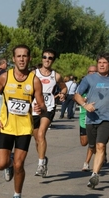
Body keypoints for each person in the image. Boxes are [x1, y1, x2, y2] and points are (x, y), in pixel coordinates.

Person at [0, 44, 46, 198]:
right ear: (13, 59)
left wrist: (39, 108)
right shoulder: (5, 77)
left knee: (20, 165)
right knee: (0, 164)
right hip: (6, 127)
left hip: (24, 129)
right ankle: (9, 162)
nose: (22, 59)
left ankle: (17, 196)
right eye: (18, 56)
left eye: (25, 56)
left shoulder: (34, 80)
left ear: (29, 58)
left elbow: (43, 106)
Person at [73, 52, 109, 189]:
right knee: (92, 146)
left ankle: (94, 174)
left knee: (101, 145)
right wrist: (85, 105)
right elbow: (77, 95)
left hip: (107, 118)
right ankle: (99, 160)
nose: (101, 65)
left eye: (104, 63)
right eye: (99, 62)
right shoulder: (89, 79)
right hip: (91, 117)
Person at [32, 48, 67, 177]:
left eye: (50, 58)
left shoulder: (56, 75)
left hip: (48, 107)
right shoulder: (33, 74)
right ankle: (43, 159)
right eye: (45, 57)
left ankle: (40, 165)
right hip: (34, 108)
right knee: (37, 139)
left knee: (41, 134)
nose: (47, 60)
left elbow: (64, 87)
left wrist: (62, 94)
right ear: (41, 59)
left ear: (53, 60)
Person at [78, 65, 97, 171]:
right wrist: (82, 100)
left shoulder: (100, 85)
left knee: (91, 141)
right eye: (90, 72)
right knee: (83, 142)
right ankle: (101, 152)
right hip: (83, 116)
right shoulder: (83, 84)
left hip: (95, 117)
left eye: (94, 72)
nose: (92, 74)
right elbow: (76, 96)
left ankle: (86, 163)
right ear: (87, 72)